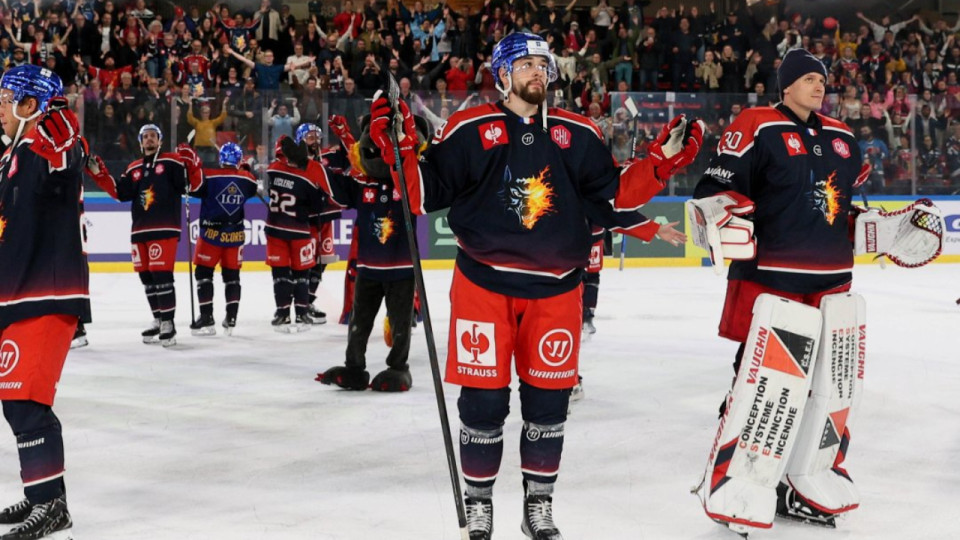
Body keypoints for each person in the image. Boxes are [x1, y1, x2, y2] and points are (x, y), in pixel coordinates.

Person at [367, 32, 703, 539]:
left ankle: (537, 506)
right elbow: (421, 195)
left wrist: (661, 162)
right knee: (482, 404)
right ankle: (480, 505)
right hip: (484, 288)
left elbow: (612, 195)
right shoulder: (469, 126)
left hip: (558, 292)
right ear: (502, 75)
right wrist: (398, 146)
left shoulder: (579, 131)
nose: (537, 72)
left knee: (548, 407)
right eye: (524, 64)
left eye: (543, 65)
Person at [690, 48, 870, 534]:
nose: (819, 86)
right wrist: (719, 213)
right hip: (772, 278)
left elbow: (848, 205)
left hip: (833, 282)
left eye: (823, 79)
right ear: (785, 85)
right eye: (809, 78)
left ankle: (805, 479)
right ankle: (736, 480)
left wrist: (876, 227)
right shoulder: (757, 123)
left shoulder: (842, 136)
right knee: (764, 384)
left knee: (827, 388)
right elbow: (714, 186)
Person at [0, 64, 88, 540]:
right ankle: (42, 496)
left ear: (29, 104)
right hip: (18, 290)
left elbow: (65, 152)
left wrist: (53, 116)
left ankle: (52, 507)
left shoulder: (51, 139)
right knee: (15, 402)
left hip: (48, 289)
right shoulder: (12, 154)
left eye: (4, 98)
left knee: (25, 398)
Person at [316, 112, 430, 392]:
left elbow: (428, 174)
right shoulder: (361, 184)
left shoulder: (412, 184)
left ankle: (398, 367)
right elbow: (334, 187)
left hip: (402, 269)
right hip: (367, 269)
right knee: (359, 322)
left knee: (401, 323)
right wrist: (305, 164)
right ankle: (354, 367)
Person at [86, 124, 203, 347]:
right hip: (139, 230)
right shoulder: (133, 168)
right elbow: (121, 193)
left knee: (161, 275)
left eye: (153, 136)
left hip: (165, 228)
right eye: (146, 137)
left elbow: (190, 186)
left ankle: (169, 321)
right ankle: (159, 318)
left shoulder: (171, 162)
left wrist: (193, 164)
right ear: (140, 142)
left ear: (160, 140)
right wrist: (99, 174)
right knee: (146, 277)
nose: (149, 140)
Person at [187, 142, 262, 336]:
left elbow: (193, 189)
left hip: (210, 235)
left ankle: (206, 318)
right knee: (232, 278)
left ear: (221, 159)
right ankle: (232, 318)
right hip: (235, 236)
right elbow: (253, 187)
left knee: (203, 274)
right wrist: (245, 170)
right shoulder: (248, 179)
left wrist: (190, 166)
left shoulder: (209, 175)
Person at [264, 135, 329, 331]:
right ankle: (301, 314)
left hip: (275, 230)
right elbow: (317, 205)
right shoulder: (306, 178)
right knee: (302, 274)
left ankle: (282, 314)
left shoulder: (272, 170)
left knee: (280, 274)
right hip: (300, 231)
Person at [296, 123, 340, 325]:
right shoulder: (297, 161)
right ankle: (300, 303)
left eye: (317, 137)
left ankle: (309, 300)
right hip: (306, 220)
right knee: (305, 261)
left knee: (322, 261)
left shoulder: (327, 157)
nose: (315, 141)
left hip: (327, 217)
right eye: (310, 137)